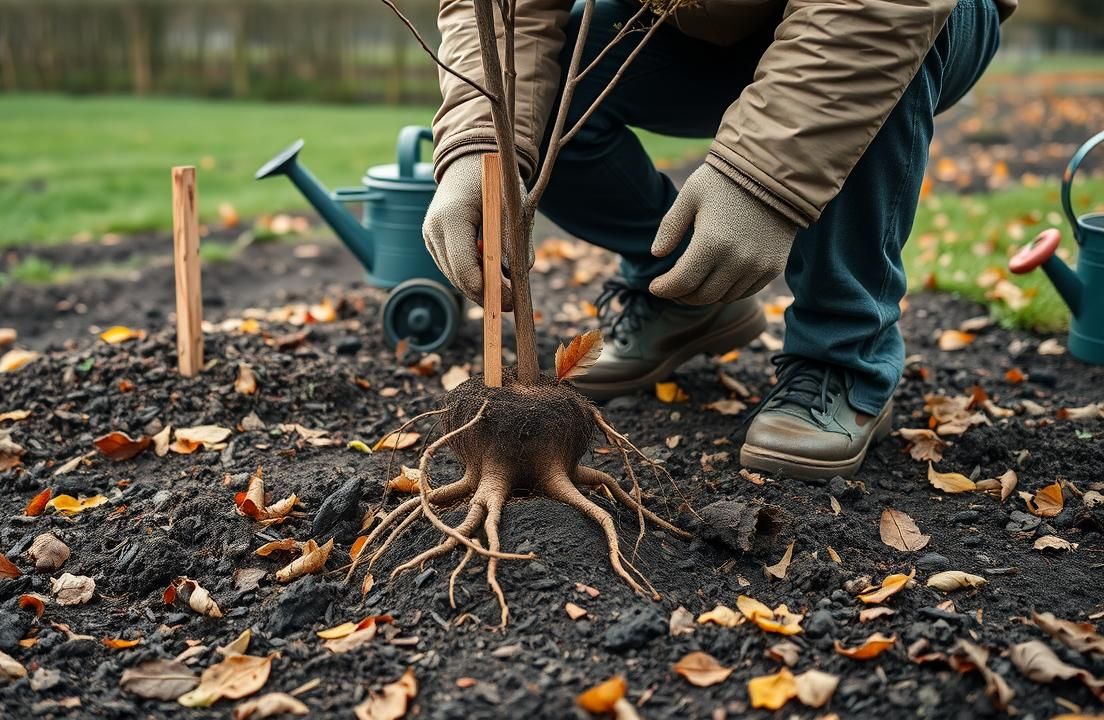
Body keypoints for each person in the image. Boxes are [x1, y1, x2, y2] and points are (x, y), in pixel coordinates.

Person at [421, 0, 1012, 478]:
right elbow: (504, 11)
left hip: (902, 17)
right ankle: (687, 297)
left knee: (896, 54)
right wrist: (478, 142)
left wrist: (762, 178)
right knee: (561, 83)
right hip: (701, 24)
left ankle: (845, 352)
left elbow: (878, 10)